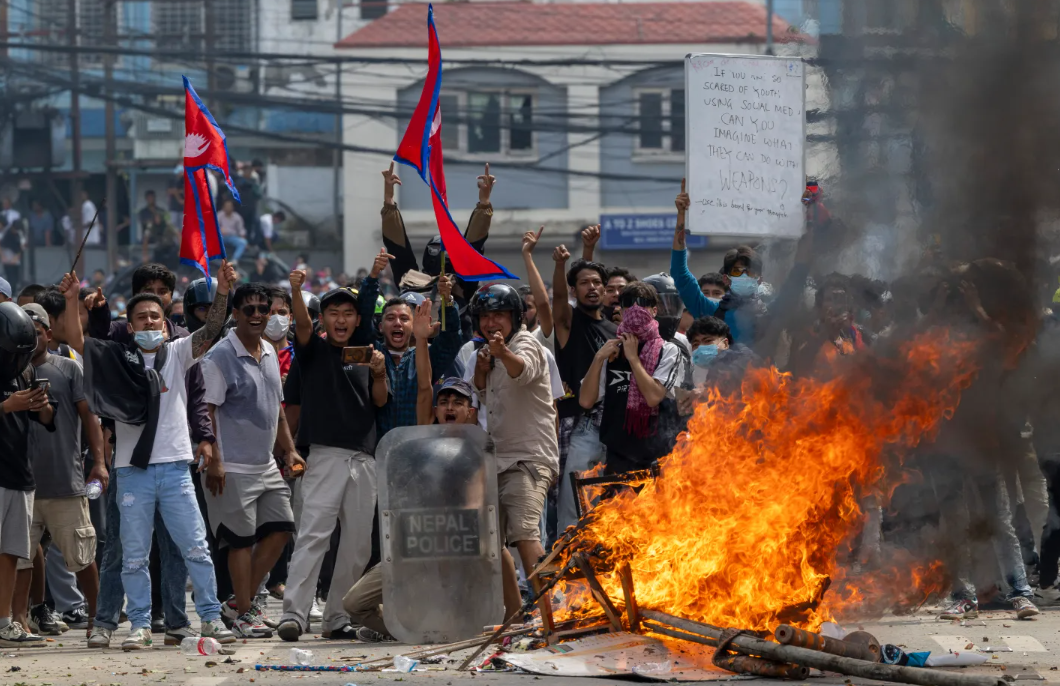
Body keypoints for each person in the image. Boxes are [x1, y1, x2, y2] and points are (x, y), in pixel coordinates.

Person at [61, 261, 238, 651]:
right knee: (134, 557)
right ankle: (139, 626)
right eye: (140, 318)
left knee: (195, 548)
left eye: (155, 317)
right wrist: (73, 300)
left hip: (176, 469)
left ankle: (210, 618)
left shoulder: (178, 353)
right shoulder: (115, 357)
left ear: (165, 320)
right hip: (131, 472)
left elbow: (211, 330)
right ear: (131, 324)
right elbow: (77, 340)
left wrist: (222, 291)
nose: (148, 323)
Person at [276, 270, 389, 642]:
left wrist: (378, 373)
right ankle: (294, 613)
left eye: (348, 313)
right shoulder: (313, 350)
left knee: (357, 544)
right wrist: (295, 290)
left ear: (358, 319)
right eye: (334, 313)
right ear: (323, 318)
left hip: (364, 457)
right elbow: (303, 328)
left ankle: (337, 617)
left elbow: (378, 401)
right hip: (324, 456)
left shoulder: (369, 353)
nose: (341, 320)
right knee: (314, 537)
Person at [201, 283, 302, 638]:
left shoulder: (272, 352)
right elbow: (206, 410)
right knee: (239, 541)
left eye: (266, 309)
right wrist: (214, 460)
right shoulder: (219, 356)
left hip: (265, 465)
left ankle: (236, 604)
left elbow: (277, 409)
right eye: (251, 309)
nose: (259, 315)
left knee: (281, 530)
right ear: (235, 314)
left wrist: (288, 449)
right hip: (230, 467)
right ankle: (245, 612)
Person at [10, 304, 105, 637]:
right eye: (23, 332)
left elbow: (90, 417)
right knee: (20, 558)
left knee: (81, 556)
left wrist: (100, 463)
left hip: (65, 481)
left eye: (36, 333)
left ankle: (98, 619)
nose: (30, 339)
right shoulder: (9, 372)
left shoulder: (68, 369)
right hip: (21, 484)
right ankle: (19, 621)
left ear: (48, 334)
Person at [470, 283, 558, 589]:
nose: (490, 322)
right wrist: (484, 366)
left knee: (524, 534)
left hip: (527, 459)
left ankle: (549, 612)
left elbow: (523, 370)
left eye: (498, 315)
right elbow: (481, 392)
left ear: (515, 316)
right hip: (496, 461)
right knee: (491, 540)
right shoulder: (488, 351)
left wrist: (502, 353)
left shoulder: (525, 343)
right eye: (484, 316)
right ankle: (511, 614)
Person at [380, 162, 496, 340]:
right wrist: (389, 203)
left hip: (457, 357)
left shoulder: (464, 283)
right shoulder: (411, 282)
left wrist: (484, 205)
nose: (440, 254)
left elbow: (474, 244)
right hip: (417, 356)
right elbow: (397, 246)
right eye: (435, 250)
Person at [579, 282, 681, 476]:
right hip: (618, 455)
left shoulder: (667, 350)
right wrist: (599, 358)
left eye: (642, 304)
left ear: (654, 310)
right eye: (628, 305)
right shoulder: (611, 351)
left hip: (657, 456)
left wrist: (633, 358)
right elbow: (585, 400)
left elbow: (653, 397)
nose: (635, 310)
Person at [551, 233, 615, 533]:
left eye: (597, 282)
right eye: (584, 283)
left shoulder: (615, 329)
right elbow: (559, 300)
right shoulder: (568, 324)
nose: (592, 287)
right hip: (580, 426)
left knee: (608, 512)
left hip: (614, 429)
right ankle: (569, 577)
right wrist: (561, 265)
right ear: (574, 290)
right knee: (573, 513)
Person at [0, 302, 55, 646]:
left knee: (10, 552)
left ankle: (4, 621)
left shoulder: (27, 372)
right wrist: (6, 405)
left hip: (19, 472)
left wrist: (42, 405)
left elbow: (47, 421)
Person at [139, 190, 179, 269]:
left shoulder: (163, 216)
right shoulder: (144, 214)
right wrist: (145, 255)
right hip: (155, 240)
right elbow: (146, 237)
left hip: (168, 243)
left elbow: (177, 233)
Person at [0, 216, 24, 293]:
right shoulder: (7, 233)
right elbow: (1, 246)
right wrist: (3, 257)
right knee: (9, 276)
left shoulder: (18, 233)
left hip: (15, 255)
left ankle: (14, 290)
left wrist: (16, 257)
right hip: (7, 254)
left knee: (16, 276)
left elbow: (20, 247)